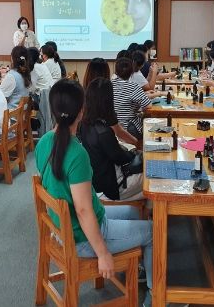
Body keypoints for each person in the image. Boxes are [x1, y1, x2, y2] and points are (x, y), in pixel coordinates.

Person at [34, 79, 153, 306]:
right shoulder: (77, 154)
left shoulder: (44, 142)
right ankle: (155, 296)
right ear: (81, 111)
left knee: (132, 213)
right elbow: (83, 211)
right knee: (153, 231)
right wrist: (103, 254)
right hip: (82, 237)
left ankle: (136, 266)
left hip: (61, 228)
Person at [79, 78, 144, 200]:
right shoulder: (103, 132)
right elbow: (121, 158)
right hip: (112, 188)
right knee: (152, 177)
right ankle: (150, 211)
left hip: (96, 181)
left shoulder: (84, 124)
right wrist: (134, 153)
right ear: (108, 101)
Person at [82, 58, 138, 146]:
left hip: (86, 145)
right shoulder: (104, 96)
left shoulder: (81, 93)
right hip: (106, 145)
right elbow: (118, 130)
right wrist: (136, 142)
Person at [112, 57, 151, 140]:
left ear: (116, 71)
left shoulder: (109, 84)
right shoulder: (133, 86)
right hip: (128, 129)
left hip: (112, 129)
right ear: (132, 72)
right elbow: (148, 106)